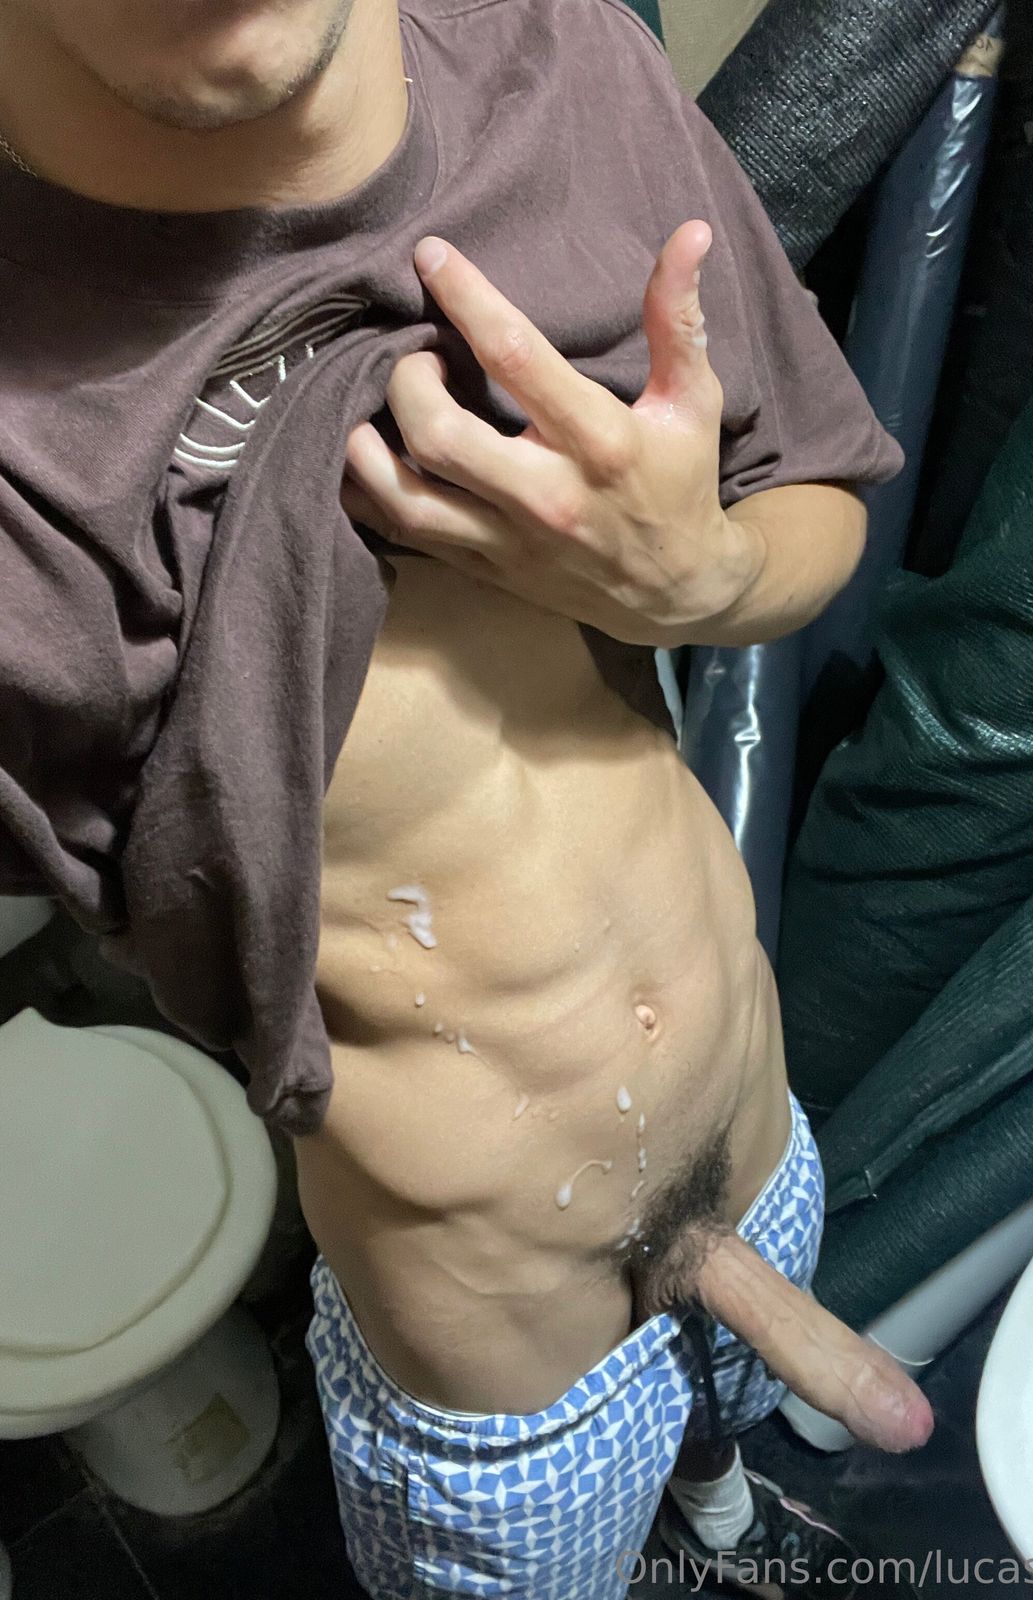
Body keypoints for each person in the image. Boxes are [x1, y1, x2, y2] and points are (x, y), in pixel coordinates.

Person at [0, 0, 932, 1595]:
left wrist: (701, 577)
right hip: (511, 1353)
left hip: (762, 1150)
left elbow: (820, 496)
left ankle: (715, 1516)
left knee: (721, 1444)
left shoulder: (560, 65)